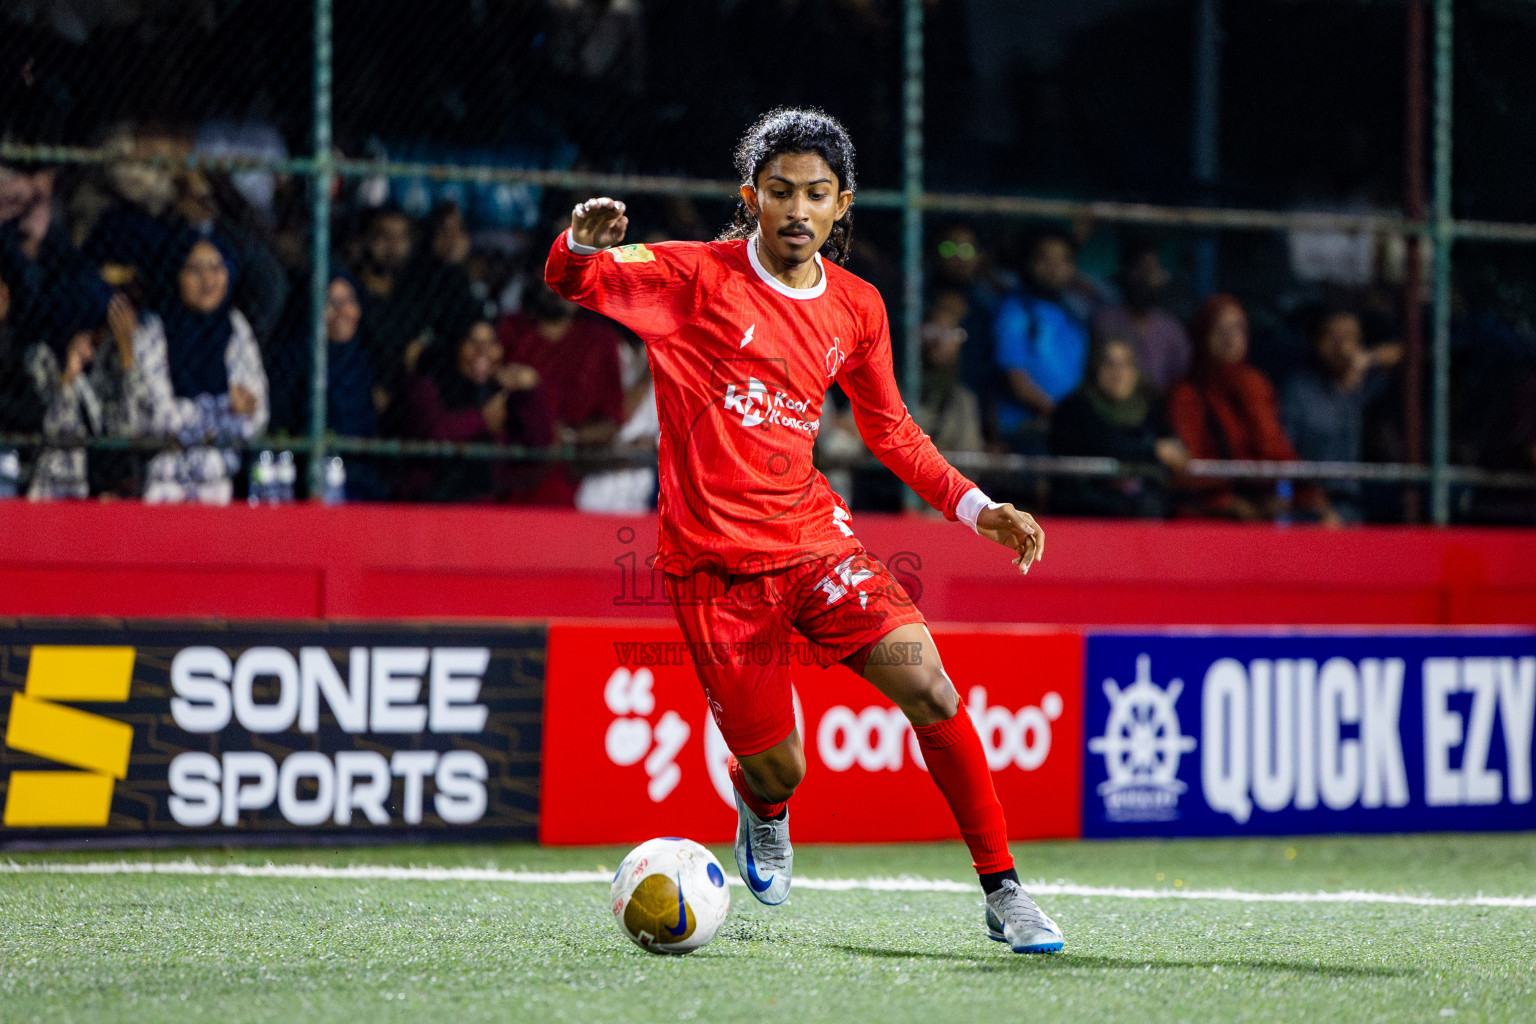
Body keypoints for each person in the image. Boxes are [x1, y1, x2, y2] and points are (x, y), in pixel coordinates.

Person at [545, 108, 1062, 953]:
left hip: (817, 545)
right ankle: (763, 804)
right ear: (751, 196)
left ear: (841, 205)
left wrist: (978, 508)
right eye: (780, 191)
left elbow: (891, 431)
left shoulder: (856, 306)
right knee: (781, 767)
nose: (797, 209)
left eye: (816, 194)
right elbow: (575, 281)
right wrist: (578, 245)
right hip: (716, 573)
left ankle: (1004, 891)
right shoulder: (691, 277)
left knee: (931, 686)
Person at [118, 230, 268, 505]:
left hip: (220, 487)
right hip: (162, 487)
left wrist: (196, 416)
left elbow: (255, 418)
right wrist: (224, 407)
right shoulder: (153, 331)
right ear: (175, 274)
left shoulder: (236, 328)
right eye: (194, 270)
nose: (208, 280)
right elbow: (156, 419)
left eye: (217, 268)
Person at [1169, 294, 1333, 522]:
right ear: (1203, 335)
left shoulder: (1255, 384)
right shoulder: (1186, 395)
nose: (1230, 338)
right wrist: (1231, 502)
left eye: (1238, 328)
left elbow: (1276, 449)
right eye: (1220, 329)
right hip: (1210, 517)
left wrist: (1306, 495)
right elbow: (1188, 470)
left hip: (1264, 511)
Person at [389, 315, 553, 503]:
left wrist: (531, 392)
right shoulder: (426, 384)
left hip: (487, 501)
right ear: (456, 345)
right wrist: (481, 419)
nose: (482, 352)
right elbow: (433, 435)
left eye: (491, 343)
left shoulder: (499, 388)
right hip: (429, 500)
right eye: (473, 343)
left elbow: (539, 444)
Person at [496, 282, 625, 504]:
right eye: (550, 280)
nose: (557, 291)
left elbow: (612, 419)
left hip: (573, 466)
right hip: (516, 455)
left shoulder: (600, 339)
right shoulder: (511, 330)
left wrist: (569, 437)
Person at [1280, 307, 1401, 523]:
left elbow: (1411, 352)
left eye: (1350, 337)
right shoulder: (1299, 391)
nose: (1343, 347)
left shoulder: (1366, 382)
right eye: (1332, 337)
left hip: (1365, 503)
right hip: (1312, 509)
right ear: (1315, 341)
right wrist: (1311, 505)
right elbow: (1283, 459)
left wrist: (1370, 359)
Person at [1050, 336, 1188, 518]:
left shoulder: (1150, 406)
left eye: (1126, 364)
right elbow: (1102, 444)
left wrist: (1176, 451)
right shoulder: (1074, 408)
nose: (1118, 373)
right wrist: (1154, 450)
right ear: (1095, 367)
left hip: (1143, 510)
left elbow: (1172, 445)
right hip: (1086, 508)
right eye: (1109, 364)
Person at [992, 232, 1090, 452]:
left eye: (1062, 260)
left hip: (1067, 429)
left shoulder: (1075, 315)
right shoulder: (1014, 310)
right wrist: (1062, 417)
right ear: (1030, 263)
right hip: (1024, 431)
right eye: (1045, 258)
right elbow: (1015, 379)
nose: (1053, 268)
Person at [1092, 238, 1192, 393]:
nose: (1146, 277)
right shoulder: (1106, 321)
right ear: (1127, 272)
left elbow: (1182, 375)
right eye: (1140, 268)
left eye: (1152, 270)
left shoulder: (1171, 328)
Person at [915, 288, 985, 454]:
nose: (938, 341)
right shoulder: (894, 390)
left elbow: (970, 458)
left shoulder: (964, 402)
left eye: (948, 333)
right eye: (933, 330)